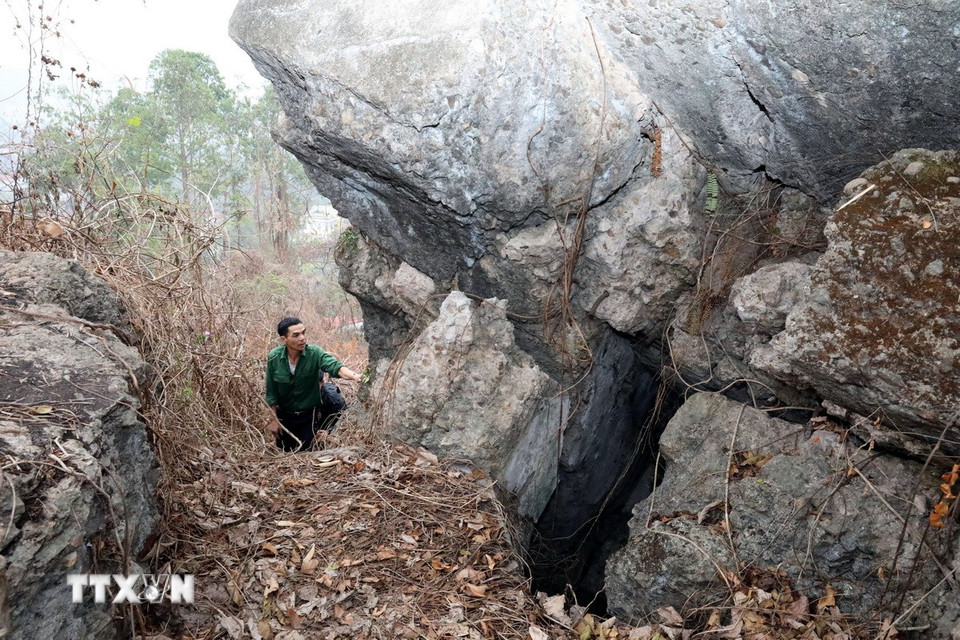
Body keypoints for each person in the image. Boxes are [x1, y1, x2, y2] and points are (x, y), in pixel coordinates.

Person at [265, 316, 362, 451]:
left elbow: (335, 366)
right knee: (285, 452)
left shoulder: (314, 353)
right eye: (296, 335)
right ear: (284, 339)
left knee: (306, 453)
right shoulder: (274, 357)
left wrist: (355, 376)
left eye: (304, 333)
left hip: (308, 418)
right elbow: (271, 391)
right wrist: (273, 419)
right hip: (284, 417)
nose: (302, 338)